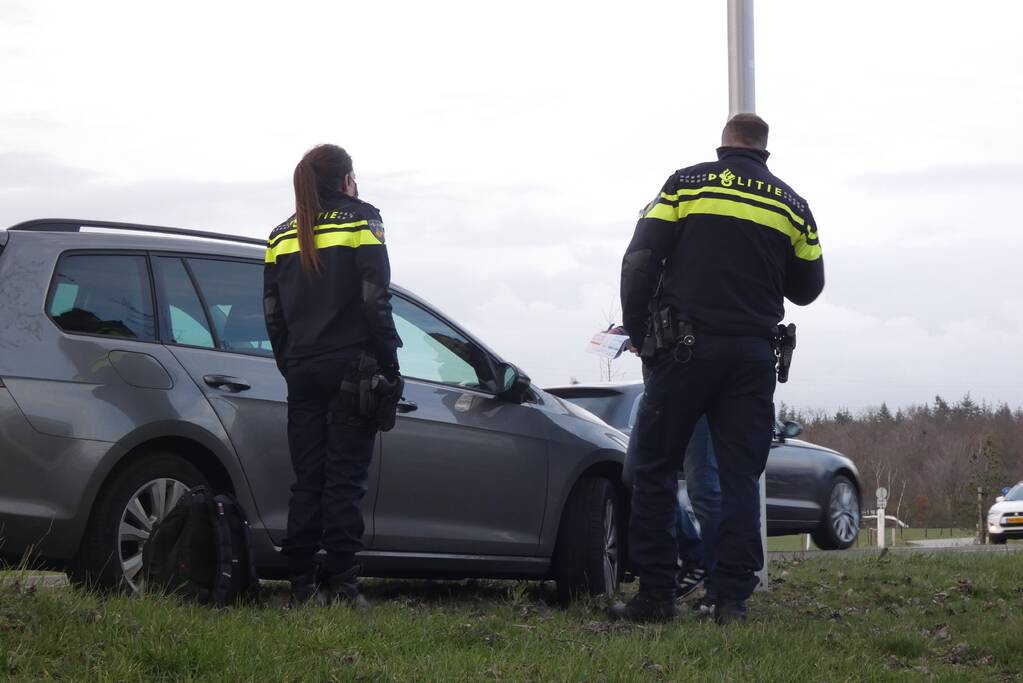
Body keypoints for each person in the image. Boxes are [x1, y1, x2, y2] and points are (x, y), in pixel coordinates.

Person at [612, 114, 823, 624]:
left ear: (725, 143)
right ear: (764, 150)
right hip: (752, 358)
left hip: (683, 351)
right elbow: (808, 288)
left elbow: (640, 259)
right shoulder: (792, 205)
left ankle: (657, 595)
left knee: (656, 469)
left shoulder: (686, 183)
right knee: (738, 478)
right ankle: (731, 601)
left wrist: (639, 331)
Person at [263, 144, 402, 607]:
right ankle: (343, 585)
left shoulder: (280, 234)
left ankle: (302, 586)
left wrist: (291, 362)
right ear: (346, 180)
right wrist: (390, 364)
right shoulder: (364, 220)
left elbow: (273, 315)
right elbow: (375, 299)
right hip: (351, 367)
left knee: (308, 479)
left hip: (301, 369)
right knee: (345, 479)